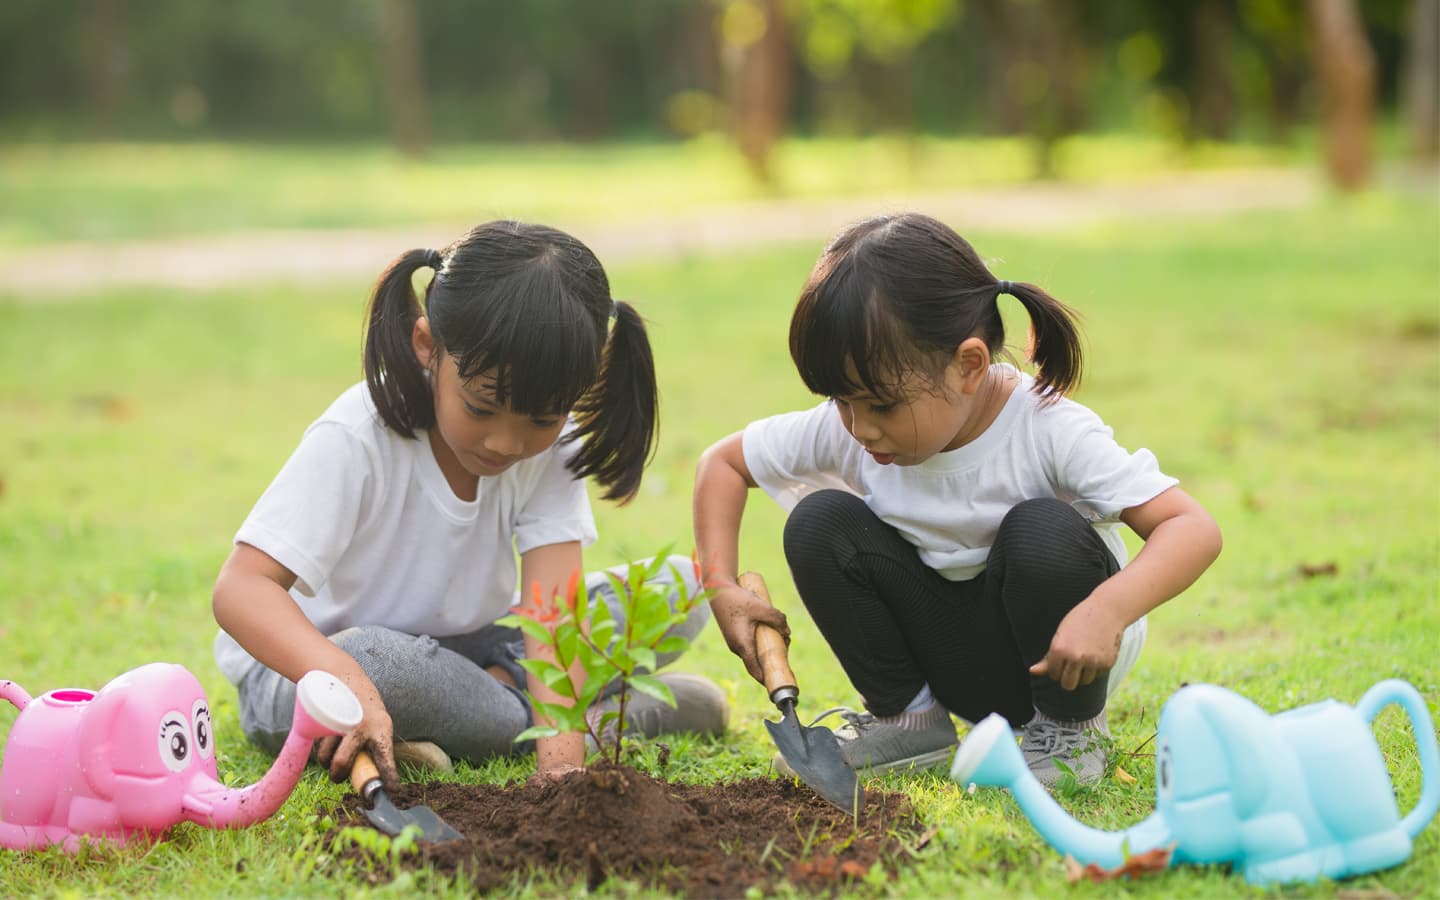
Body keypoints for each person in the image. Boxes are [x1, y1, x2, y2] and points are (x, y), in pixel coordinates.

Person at [693, 213, 1221, 787]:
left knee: (1041, 529)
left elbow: (1192, 528)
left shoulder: (1047, 429)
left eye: (880, 405)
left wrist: (1110, 610)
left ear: (968, 365)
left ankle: (1070, 736)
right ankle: (908, 720)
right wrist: (721, 588)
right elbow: (721, 463)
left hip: (1063, 660)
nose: (859, 428)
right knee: (819, 521)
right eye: (842, 401)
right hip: (953, 656)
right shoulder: (853, 429)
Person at [213, 220, 727, 792]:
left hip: (483, 643)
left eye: (542, 418)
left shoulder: (554, 446)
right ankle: (612, 717)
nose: (508, 443)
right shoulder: (357, 436)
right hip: (314, 665)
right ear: (427, 346)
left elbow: (553, 615)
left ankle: (489, 707)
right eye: (482, 407)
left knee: (680, 587)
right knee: (380, 659)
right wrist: (349, 677)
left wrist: (560, 771)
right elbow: (241, 590)